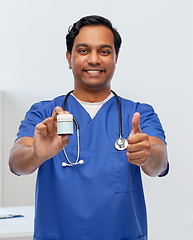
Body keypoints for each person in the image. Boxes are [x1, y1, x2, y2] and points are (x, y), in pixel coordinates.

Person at [9, 15, 169, 240]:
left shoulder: (139, 114)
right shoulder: (45, 113)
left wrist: (148, 155)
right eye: (83, 51)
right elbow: (16, 163)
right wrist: (37, 153)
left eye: (104, 51)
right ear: (69, 57)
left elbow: (159, 164)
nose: (94, 59)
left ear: (115, 58)